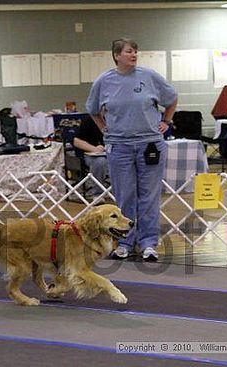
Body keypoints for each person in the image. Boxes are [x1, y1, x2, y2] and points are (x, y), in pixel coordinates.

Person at [85, 38, 178, 261]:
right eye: (128, 52)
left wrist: (167, 121)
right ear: (117, 55)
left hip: (150, 144)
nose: (134, 55)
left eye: (135, 51)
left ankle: (148, 243)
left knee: (149, 196)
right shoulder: (104, 81)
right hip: (119, 145)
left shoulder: (150, 76)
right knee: (125, 196)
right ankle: (124, 242)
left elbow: (172, 98)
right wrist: (104, 129)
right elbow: (93, 109)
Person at [73, 117, 108, 197]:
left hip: (112, 153)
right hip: (90, 153)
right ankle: (97, 194)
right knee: (100, 162)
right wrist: (94, 149)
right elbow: (76, 141)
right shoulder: (89, 120)